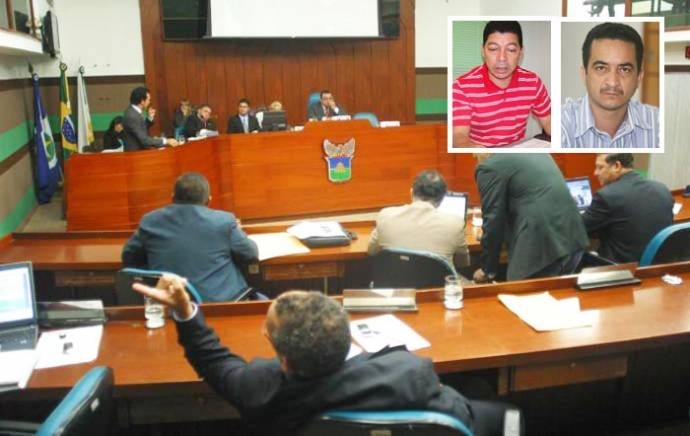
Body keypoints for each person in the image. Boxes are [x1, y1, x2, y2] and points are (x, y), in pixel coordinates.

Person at [132, 278, 520, 436]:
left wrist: (184, 310)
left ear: (284, 361)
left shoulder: (262, 389)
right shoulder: (411, 373)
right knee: (509, 412)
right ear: (351, 341)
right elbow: (470, 419)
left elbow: (213, 361)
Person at [121, 172, 258, 301]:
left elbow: (128, 257)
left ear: (172, 197)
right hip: (220, 306)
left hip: (170, 304)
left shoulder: (150, 221)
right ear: (208, 201)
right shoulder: (224, 221)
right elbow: (250, 254)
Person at [473, 154, 588, 282]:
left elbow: (493, 219)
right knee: (553, 292)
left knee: (518, 292)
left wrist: (487, 270)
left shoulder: (490, 166)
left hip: (542, 249)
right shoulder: (541, 154)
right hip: (574, 240)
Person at [452, 21, 551, 147]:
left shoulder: (533, 82)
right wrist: (474, 148)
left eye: (511, 50)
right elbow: (458, 135)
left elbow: (548, 121)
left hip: (516, 150)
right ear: (483, 51)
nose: (502, 58)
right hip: (480, 153)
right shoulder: (462, 87)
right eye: (493, 49)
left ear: (521, 52)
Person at [561, 22, 659, 148]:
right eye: (601, 68)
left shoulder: (658, 123)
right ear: (584, 74)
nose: (613, 82)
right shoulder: (561, 123)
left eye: (624, 69)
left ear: (639, 78)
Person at [368, 170, 469, 269]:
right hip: (437, 280)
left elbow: (371, 251)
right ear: (442, 199)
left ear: (411, 192)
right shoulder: (455, 223)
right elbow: (463, 263)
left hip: (393, 279)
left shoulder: (385, 216)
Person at [582, 154, 673, 262]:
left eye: (600, 167)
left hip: (622, 267)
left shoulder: (607, 195)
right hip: (659, 265)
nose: (595, 173)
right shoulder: (662, 188)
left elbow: (581, 229)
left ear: (616, 166)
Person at [122, 86, 178, 151]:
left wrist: (149, 118)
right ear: (142, 101)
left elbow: (140, 128)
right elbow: (145, 140)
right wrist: (166, 141)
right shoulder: (132, 116)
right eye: (148, 100)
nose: (149, 102)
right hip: (136, 153)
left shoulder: (133, 111)